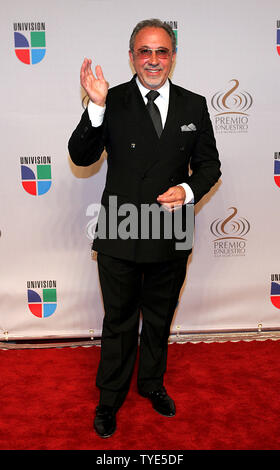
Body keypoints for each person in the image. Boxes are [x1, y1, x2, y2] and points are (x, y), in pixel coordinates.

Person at [68, 18, 221, 438]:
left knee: (158, 317)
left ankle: (152, 384)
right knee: (119, 320)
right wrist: (94, 109)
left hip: (170, 230)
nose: (153, 60)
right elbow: (81, 157)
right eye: (144, 51)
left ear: (173, 56)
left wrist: (188, 190)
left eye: (162, 51)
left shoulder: (194, 104)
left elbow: (209, 166)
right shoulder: (109, 99)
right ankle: (109, 398)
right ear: (132, 55)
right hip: (121, 227)